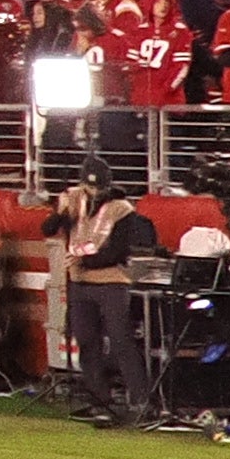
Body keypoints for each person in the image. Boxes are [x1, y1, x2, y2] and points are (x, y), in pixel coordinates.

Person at [50, 167, 158, 424]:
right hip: (79, 282)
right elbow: (48, 228)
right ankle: (99, 400)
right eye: (90, 187)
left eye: (98, 188)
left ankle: (142, 402)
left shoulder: (121, 208)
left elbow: (119, 252)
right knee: (87, 342)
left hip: (111, 282)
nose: (94, 193)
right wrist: (62, 210)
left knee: (121, 341)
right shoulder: (74, 202)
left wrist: (84, 260)